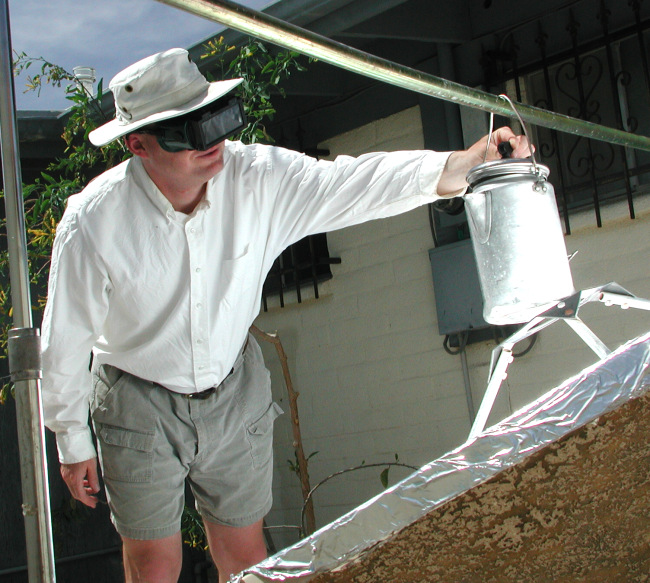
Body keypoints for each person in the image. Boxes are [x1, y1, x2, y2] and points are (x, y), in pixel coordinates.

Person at [41, 48, 531, 583]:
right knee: (155, 566)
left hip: (232, 382)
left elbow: (355, 183)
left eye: (218, 118)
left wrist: (464, 163)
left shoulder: (257, 177)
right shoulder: (93, 222)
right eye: (188, 132)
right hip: (138, 396)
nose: (213, 143)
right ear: (138, 145)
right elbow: (65, 340)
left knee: (246, 553)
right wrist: (71, 441)